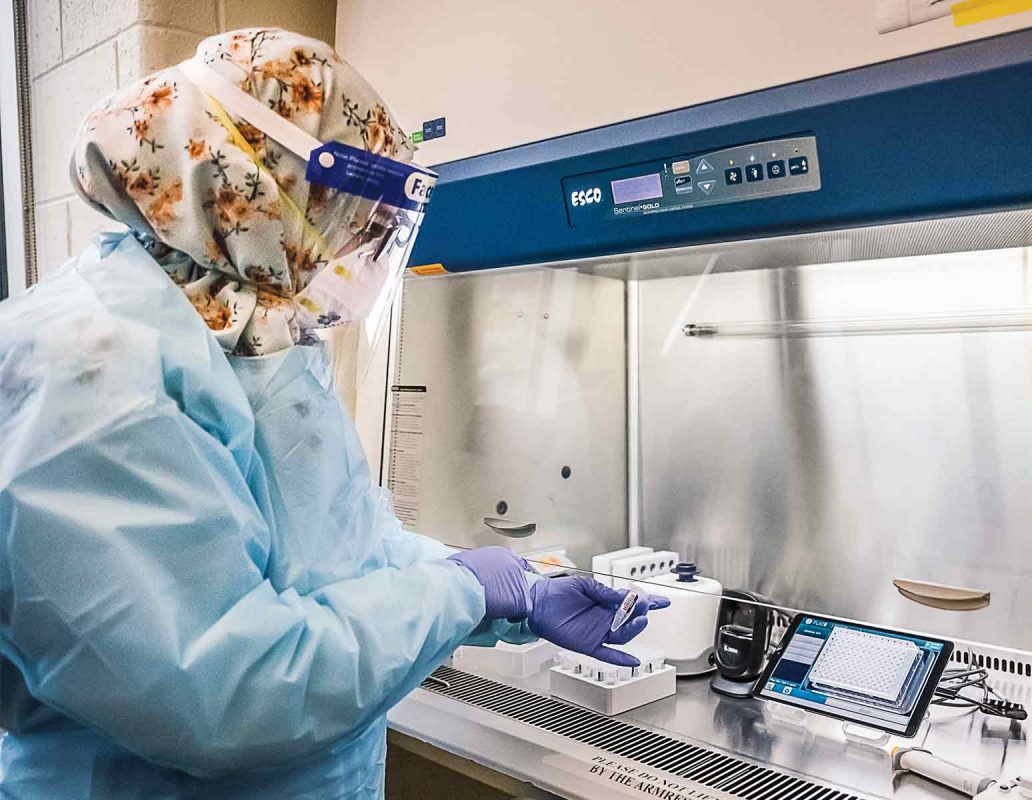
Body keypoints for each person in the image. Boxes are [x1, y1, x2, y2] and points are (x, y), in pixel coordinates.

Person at [0, 28, 665, 799]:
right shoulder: (93, 368)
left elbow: (339, 560)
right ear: (257, 179)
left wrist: (507, 589)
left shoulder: (245, 334)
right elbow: (225, 693)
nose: (355, 245)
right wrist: (462, 593)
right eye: (349, 212)